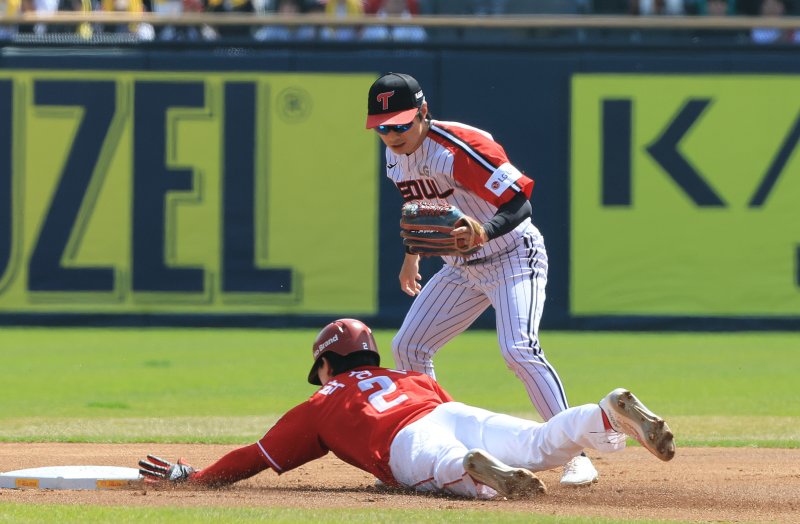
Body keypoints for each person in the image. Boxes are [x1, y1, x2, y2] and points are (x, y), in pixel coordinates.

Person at [364, 72, 599, 486]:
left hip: (512, 256)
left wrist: (485, 230)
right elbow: (421, 209)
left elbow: (518, 203)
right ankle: (445, 447)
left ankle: (576, 454)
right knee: (408, 347)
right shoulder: (393, 157)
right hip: (459, 268)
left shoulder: (460, 148)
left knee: (518, 349)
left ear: (423, 112)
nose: (393, 134)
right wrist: (411, 258)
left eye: (401, 123)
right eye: (383, 127)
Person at [139, 318, 676, 499]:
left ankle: (471, 469)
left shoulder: (319, 404)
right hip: (447, 409)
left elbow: (255, 457)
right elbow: (440, 405)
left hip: (403, 442)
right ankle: (602, 412)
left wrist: (197, 477)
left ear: (327, 366)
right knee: (540, 444)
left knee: (446, 467)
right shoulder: (407, 374)